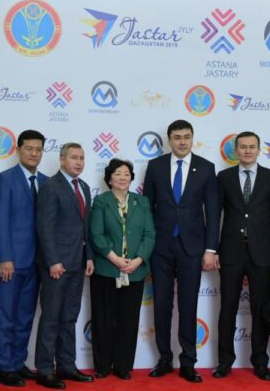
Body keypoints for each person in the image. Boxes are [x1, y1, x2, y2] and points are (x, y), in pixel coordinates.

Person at [142, 120, 220, 383]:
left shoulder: (206, 168)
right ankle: (164, 359)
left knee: (188, 305)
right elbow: (147, 208)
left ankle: (188, 362)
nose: (182, 142)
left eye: (186, 137)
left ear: (192, 138)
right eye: (177, 137)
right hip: (161, 247)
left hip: (192, 247)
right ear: (169, 140)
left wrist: (210, 249)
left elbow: (212, 212)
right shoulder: (155, 166)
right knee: (161, 305)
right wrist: (146, 246)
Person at [213, 131, 270, 381]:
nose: (247, 151)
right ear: (236, 150)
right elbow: (214, 215)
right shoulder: (223, 177)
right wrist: (213, 249)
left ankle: (260, 362)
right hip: (230, 252)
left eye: (252, 147)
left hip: (262, 254)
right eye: (242, 147)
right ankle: (224, 361)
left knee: (261, 310)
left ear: (259, 149)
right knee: (227, 308)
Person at [0, 129, 48, 387]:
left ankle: (18, 361)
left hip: (37, 262)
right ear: (18, 150)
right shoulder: (4, 179)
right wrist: (5, 257)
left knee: (25, 316)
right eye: (29, 149)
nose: (34, 153)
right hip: (10, 262)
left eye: (38, 149)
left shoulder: (46, 181)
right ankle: (5, 367)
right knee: (5, 314)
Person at [88, 158, 155, 380]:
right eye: (117, 174)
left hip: (134, 271)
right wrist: (115, 259)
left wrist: (138, 260)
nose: (122, 178)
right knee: (103, 320)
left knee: (128, 321)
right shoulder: (101, 201)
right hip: (106, 269)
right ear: (109, 178)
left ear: (131, 178)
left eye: (126, 174)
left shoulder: (141, 202)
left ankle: (123, 365)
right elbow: (96, 234)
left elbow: (149, 234)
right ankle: (102, 366)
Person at [35, 142, 94, 389]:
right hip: (57, 265)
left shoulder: (85, 187)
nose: (79, 162)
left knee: (69, 317)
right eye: (73, 157)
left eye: (82, 158)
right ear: (61, 160)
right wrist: (53, 260)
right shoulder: (50, 186)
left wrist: (88, 256)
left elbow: (85, 227)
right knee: (51, 318)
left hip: (77, 263)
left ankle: (67, 366)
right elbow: (44, 227)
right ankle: (45, 369)